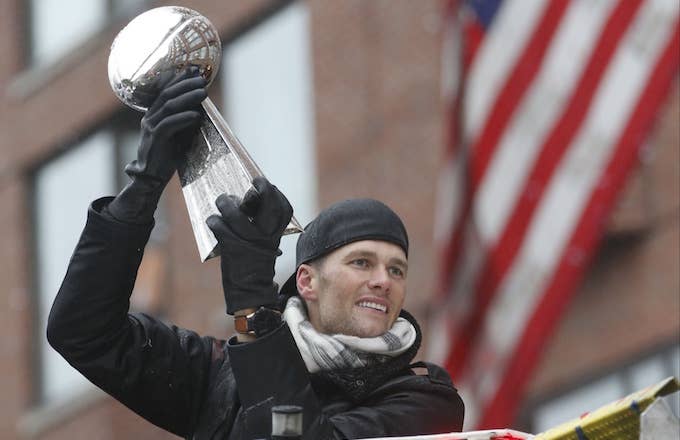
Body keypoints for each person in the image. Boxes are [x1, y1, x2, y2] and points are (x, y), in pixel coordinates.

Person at [47, 71, 464, 440]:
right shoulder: (219, 375)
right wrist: (142, 188)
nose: (383, 280)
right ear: (306, 282)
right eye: (361, 262)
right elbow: (83, 332)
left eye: (397, 269)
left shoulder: (424, 399)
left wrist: (254, 307)